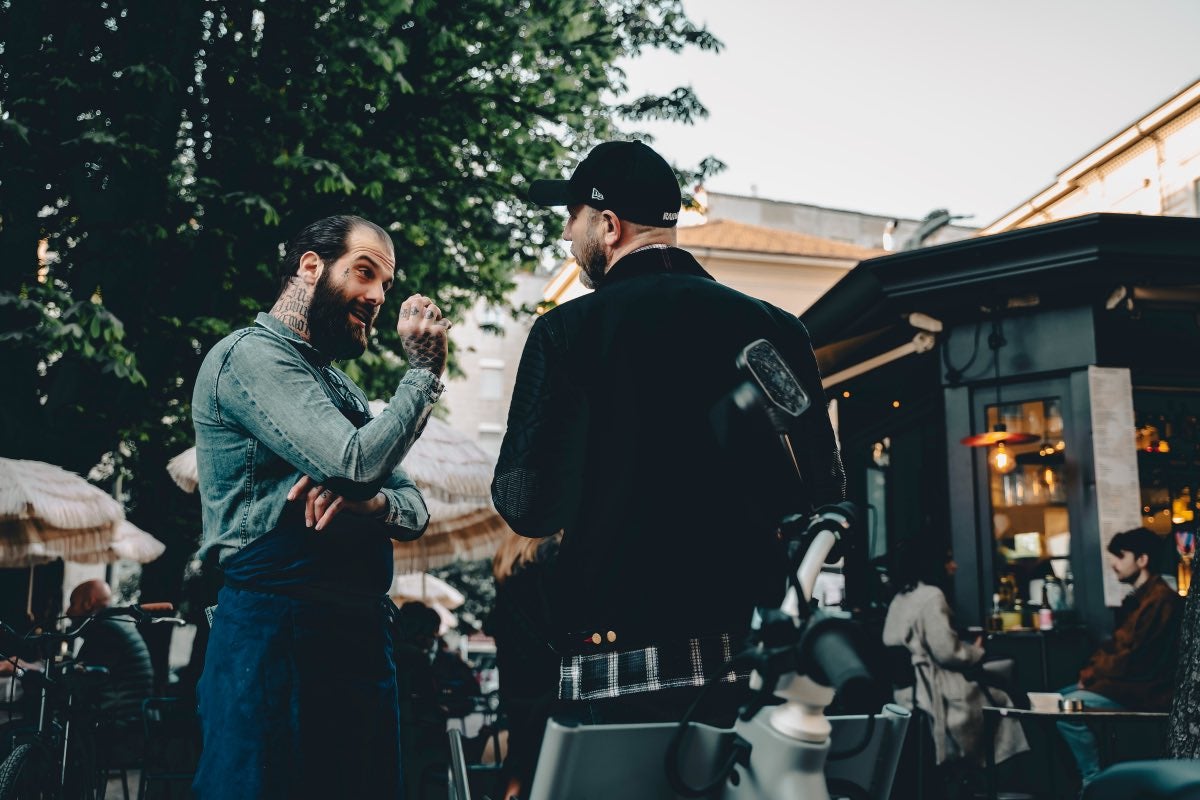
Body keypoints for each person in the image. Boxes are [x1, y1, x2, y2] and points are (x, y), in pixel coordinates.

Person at [492, 140, 845, 729]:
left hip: (616, 656)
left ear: (608, 225)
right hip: (753, 655)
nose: (565, 237)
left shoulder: (566, 333)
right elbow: (825, 491)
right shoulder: (776, 326)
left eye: (571, 218)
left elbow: (525, 506)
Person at [190, 214, 450, 799]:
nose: (378, 297)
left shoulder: (339, 388)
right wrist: (424, 374)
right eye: (364, 273)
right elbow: (353, 463)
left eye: (385, 284)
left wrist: (370, 504)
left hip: (354, 638)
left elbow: (413, 509)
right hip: (275, 633)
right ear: (311, 267)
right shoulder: (251, 358)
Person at [882, 539, 1029, 797]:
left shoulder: (901, 597)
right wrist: (976, 650)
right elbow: (948, 652)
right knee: (1003, 700)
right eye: (948, 558)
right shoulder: (931, 596)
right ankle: (996, 778)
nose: (954, 564)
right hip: (933, 693)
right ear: (933, 563)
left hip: (906, 693)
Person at [1057, 526, 1182, 788]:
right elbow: (1117, 648)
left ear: (1142, 559)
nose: (1113, 564)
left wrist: (1092, 675)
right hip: (1129, 685)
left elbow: (1136, 659)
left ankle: (1093, 782)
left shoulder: (1161, 601)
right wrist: (1091, 675)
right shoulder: (1142, 599)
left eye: (1120, 555)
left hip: (1146, 692)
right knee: (1059, 699)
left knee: (1065, 707)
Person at [484, 533, 561, 800]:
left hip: (515, 677)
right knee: (546, 756)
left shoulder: (510, 558)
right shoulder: (551, 555)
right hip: (547, 675)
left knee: (520, 756)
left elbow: (494, 623)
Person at [66, 580, 155, 726]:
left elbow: (83, 675)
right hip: (133, 716)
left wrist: (39, 672)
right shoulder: (115, 623)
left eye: (72, 603)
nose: (67, 612)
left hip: (118, 722)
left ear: (89, 603)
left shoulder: (105, 630)